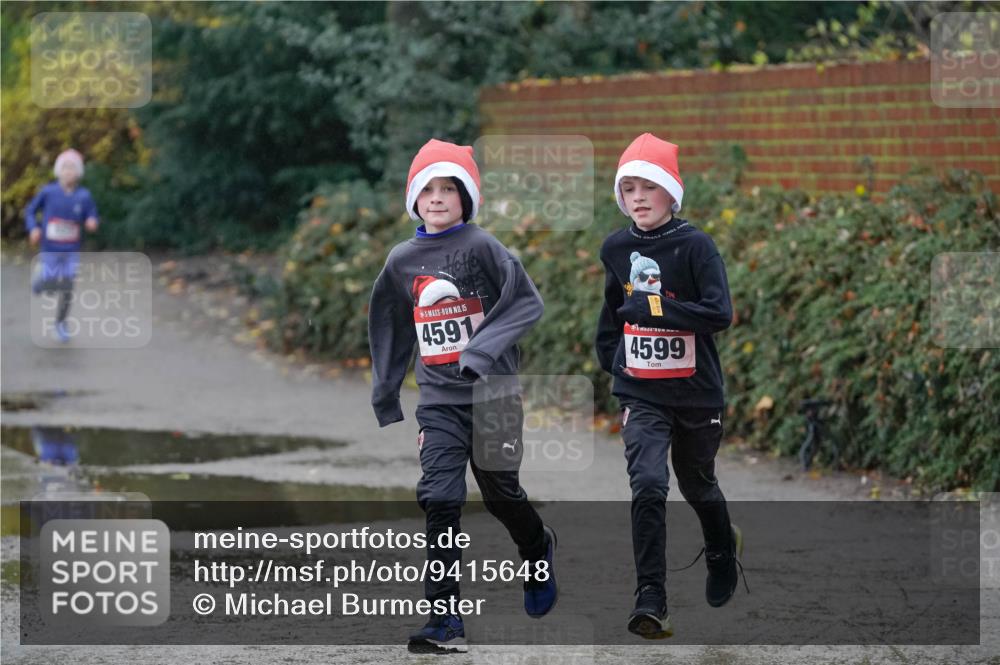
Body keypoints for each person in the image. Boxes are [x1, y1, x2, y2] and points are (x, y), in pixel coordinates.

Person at [368, 138, 557, 653]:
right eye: (427, 188)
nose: (436, 197)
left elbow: (525, 301)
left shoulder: (482, 247)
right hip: (439, 402)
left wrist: (480, 353)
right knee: (440, 498)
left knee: (501, 495)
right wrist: (387, 392)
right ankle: (445, 619)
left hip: (493, 397)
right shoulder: (402, 259)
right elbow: (388, 322)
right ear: (413, 198)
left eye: (448, 188)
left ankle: (536, 547)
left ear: (466, 197)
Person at [595, 133, 744, 639]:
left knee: (697, 483)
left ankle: (722, 549)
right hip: (641, 391)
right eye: (628, 188)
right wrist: (614, 360)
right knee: (649, 485)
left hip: (697, 391)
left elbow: (719, 313)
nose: (637, 197)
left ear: (670, 193)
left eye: (648, 187)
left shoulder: (696, 245)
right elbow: (613, 311)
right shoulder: (616, 248)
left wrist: (657, 308)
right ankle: (651, 597)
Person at [24, 149, 99, 343]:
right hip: (50, 248)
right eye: (65, 167)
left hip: (71, 250)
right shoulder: (48, 191)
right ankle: (39, 282)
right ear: (58, 170)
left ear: (78, 172)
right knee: (48, 281)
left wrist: (92, 221)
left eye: (72, 167)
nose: (68, 171)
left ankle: (60, 324)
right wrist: (33, 229)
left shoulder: (84, 195)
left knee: (67, 287)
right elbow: (30, 211)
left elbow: (92, 213)